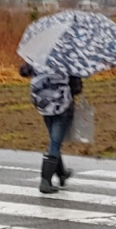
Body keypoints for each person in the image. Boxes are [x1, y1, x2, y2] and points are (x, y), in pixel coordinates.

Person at [18, 61, 83, 194]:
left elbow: (24, 71)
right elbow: (76, 88)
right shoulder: (68, 60)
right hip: (62, 107)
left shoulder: (39, 56)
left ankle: (62, 173)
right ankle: (45, 181)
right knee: (55, 142)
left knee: (54, 140)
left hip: (44, 105)